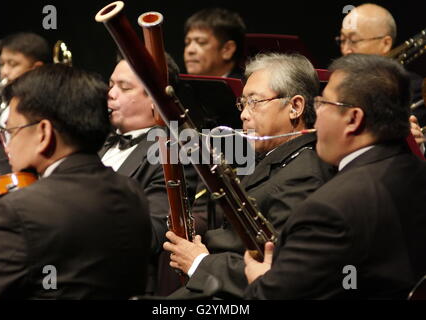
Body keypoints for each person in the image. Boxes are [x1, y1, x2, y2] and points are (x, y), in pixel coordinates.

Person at [244, 54, 426, 299]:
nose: (315, 116)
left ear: (353, 119)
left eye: (323, 104)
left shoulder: (329, 210)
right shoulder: (418, 172)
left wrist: (260, 279)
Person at [163, 53, 335, 299]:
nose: (244, 114)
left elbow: (279, 270)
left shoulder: (305, 174)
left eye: (255, 102)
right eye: (242, 104)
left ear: (295, 107)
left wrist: (199, 262)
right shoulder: (276, 159)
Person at [0, 64, 152, 299]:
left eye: (11, 130)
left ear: (44, 133)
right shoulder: (131, 193)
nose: (6, 145)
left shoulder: (15, 212)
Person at [100, 57, 197, 295]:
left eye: (124, 87)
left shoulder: (173, 154)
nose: (111, 93)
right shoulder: (97, 139)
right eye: (111, 84)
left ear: (156, 102)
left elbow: (152, 233)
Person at [337, 3, 426, 143]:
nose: (346, 50)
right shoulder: (336, 85)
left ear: (385, 43)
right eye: (342, 40)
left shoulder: (411, 87)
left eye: (353, 40)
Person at [0, 32, 51, 126]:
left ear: (36, 68)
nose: (4, 71)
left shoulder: (41, 103)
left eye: (12, 64)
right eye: (2, 64)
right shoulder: (12, 100)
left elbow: (16, 138)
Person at [183, 7, 246, 79]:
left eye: (201, 42)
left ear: (227, 49)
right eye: (187, 43)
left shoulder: (245, 88)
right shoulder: (180, 87)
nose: (189, 50)